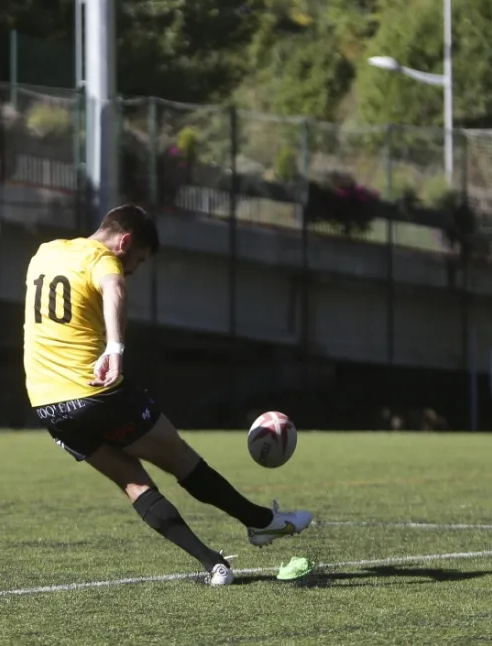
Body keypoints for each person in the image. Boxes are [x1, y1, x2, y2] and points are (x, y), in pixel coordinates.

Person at [23, 204, 312, 587]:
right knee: (181, 459)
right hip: (95, 392)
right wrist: (115, 348)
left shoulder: (45, 252)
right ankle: (262, 523)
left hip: (47, 403)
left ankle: (214, 564)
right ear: (124, 241)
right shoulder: (102, 258)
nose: (132, 269)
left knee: (133, 482)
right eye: (137, 260)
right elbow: (114, 286)